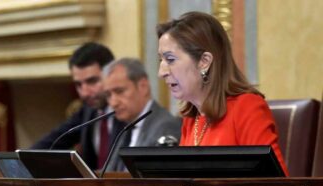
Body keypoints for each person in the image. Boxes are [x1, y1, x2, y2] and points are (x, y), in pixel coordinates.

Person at [157, 11, 288, 175]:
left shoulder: (246, 107)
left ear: (204, 62)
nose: (161, 72)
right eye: (160, 60)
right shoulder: (192, 119)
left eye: (170, 60)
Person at [31, 42, 115, 170]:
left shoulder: (129, 113)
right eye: (78, 85)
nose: (84, 93)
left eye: (92, 81)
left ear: (112, 75)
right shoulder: (88, 111)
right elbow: (51, 143)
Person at [101, 58, 182, 172]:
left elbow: (157, 181)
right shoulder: (124, 128)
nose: (113, 102)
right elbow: (108, 174)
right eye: (108, 95)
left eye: (119, 91)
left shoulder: (166, 127)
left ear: (143, 86)